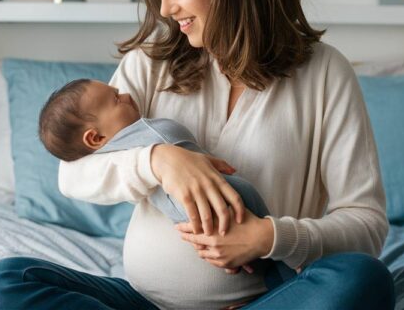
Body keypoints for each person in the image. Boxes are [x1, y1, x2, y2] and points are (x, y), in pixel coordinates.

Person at [0, 0, 395, 309]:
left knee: (362, 279)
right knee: (0, 285)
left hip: (267, 300)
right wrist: (158, 160)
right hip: (142, 302)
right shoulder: (149, 64)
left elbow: (366, 224)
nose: (166, 8)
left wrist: (267, 237)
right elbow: (73, 173)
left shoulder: (324, 73)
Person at [37, 78, 297, 289]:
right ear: (95, 139)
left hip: (242, 270)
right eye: (116, 99)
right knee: (9, 278)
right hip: (143, 296)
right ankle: (286, 281)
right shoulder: (148, 132)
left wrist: (251, 238)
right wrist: (156, 159)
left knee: (335, 275)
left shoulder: (120, 135)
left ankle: (283, 282)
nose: (127, 95)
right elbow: (68, 176)